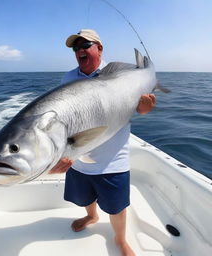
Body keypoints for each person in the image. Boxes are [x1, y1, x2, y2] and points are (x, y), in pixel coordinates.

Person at [49, 29, 156, 256]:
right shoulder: (68, 79)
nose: (80, 51)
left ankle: (120, 240)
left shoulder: (123, 75)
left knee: (117, 208)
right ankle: (92, 215)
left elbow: (140, 107)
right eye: (75, 48)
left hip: (112, 161)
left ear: (99, 48)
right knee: (84, 197)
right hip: (78, 158)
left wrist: (145, 109)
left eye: (85, 45)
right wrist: (61, 154)